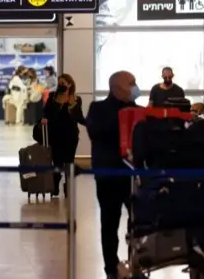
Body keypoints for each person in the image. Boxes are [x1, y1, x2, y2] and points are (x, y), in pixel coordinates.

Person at [85, 71, 140, 279]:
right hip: (108, 176)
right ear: (117, 87)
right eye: (132, 83)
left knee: (138, 222)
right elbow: (97, 132)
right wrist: (124, 120)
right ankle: (111, 268)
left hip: (133, 177)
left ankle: (136, 265)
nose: (136, 87)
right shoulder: (97, 109)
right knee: (110, 222)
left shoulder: (138, 111)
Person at [41, 73, 85, 196]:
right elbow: (48, 113)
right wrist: (58, 102)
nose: (60, 86)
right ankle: (55, 185)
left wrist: (90, 123)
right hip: (56, 134)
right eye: (59, 83)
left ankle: (68, 185)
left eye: (63, 84)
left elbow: (78, 117)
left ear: (70, 84)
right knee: (57, 162)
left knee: (69, 162)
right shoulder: (52, 97)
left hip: (71, 135)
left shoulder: (76, 99)